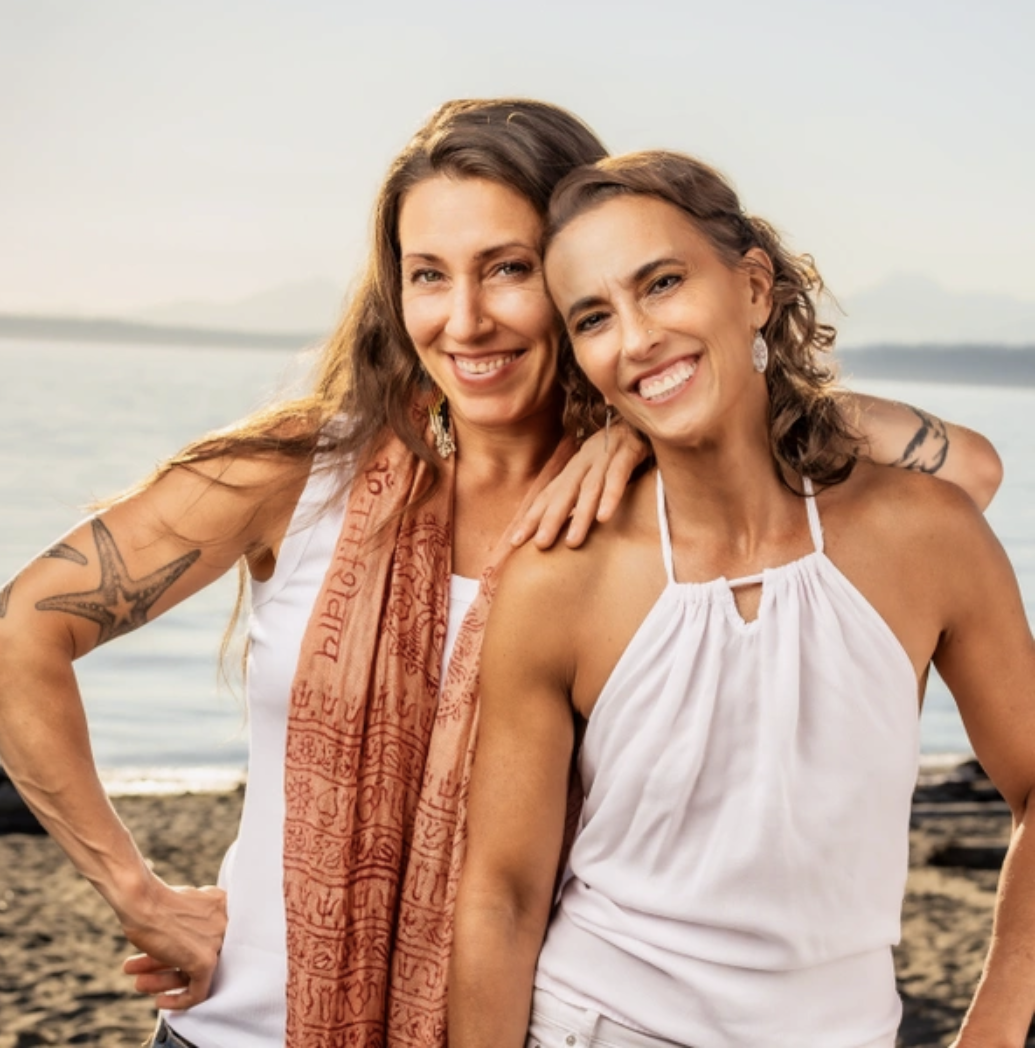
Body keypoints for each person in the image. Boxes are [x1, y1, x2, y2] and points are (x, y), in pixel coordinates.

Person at [0, 101, 1003, 1050]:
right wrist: (137, 892)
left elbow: (970, 468)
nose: (465, 319)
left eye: (508, 268)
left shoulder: (640, 514)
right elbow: (22, 632)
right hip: (242, 1029)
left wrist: (678, 404)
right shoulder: (299, 475)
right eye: (427, 275)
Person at [449, 150, 1033, 1048]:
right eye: (594, 317)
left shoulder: (924, 536)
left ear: (754, 288)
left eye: (663, 283)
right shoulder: (560, 578)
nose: (636, 338)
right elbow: (502, 896)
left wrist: (993, 1031)